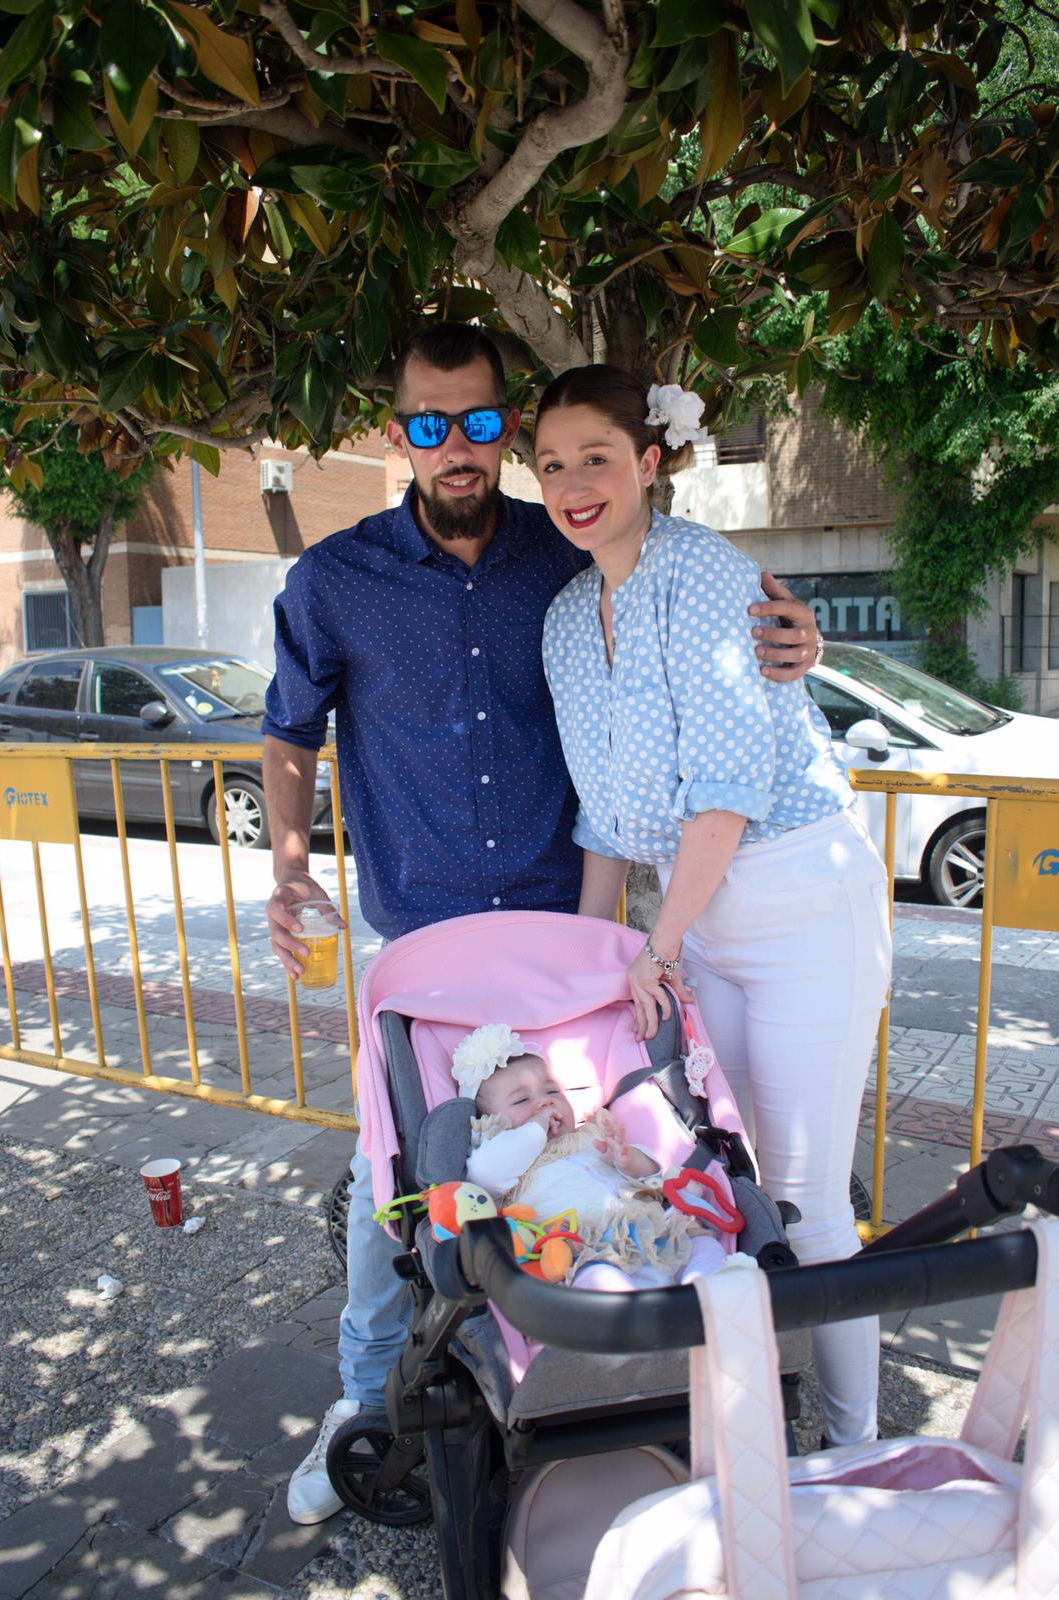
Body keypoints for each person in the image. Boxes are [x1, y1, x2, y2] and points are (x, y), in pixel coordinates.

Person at [261, 324, 821, 1524]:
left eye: (474, 422)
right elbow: (289, 731)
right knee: (393, 1176)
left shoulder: (566, 559)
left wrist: (794, 644)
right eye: (426, 423)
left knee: (597, 1132)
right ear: (397, 430)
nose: (454, 446)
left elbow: (692, 639)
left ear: (501, 426)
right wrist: (292, 866)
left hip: (567, 928)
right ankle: (367, 1397)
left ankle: (596, 1357)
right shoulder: (333, 581)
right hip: (424, 934)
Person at [535, 364, 893, 1448]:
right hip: (699, 923)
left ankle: (855, 1441)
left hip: (794, 900)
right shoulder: (563, 615)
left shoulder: (708, 577)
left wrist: (655, 943)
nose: (571, 484)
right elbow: (602, 819)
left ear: (649, 462)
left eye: (596, 457)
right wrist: (599, 965)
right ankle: (752, 1425)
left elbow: (726, 798)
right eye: (550, 465)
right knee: (726, 1180)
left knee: (807, 1194)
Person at [454, 1023, 727, 1289]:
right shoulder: (502, 1161)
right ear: (490, 1122)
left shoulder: (590, 1134)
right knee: (598, 1281)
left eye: (552, 1091)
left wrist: (628, 1160)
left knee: (701, 1245)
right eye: (521, 1100)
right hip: (587, 1252)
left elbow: (653, 1178)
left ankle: (720, 1294)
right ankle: (631, 1322)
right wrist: (536, 1126)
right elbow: (483, 1174)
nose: (546, 1102)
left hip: (651, 1232)